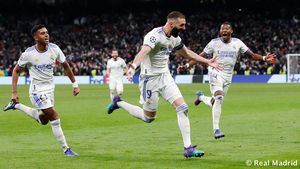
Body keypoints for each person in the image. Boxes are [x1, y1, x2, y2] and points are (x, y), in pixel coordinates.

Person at [107, 11, 222, 158]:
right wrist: (133, 66)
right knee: (148, 118)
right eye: (182, 25)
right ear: (171, 23)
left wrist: (207, 61)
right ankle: (119, 103)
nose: (184, 28)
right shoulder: (154, 35)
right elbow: (144, 51)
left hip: (166, 77)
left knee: (183, 108)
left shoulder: (174, 38)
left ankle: (188, 148)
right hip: (150, 80)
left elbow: (187, 53)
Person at [178, 22, 276, 139]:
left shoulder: (237, 43)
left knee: (216, 102)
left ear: (231, 31)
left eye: (227, 29)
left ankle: (201, 97)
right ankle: (216, 130)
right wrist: (187, 65)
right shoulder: (214, 43)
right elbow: (200, 56)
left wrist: (264, 58)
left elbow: (251, 55)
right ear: (220, 32)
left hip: (228, 76)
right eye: (222, 29)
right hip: (215, 72)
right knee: (219, 97)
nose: (224, 30)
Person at [3, 25, 80, 156]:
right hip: (36, 91)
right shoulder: (28, 54)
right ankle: (66, 149)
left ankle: (16, 105)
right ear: (35, 37)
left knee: (43, 120)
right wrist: (14, 92)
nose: (46, 35)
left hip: (50, 89)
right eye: (42, 33)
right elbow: (16, 71)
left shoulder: (55, 49)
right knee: (54, 117)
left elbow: (66, 66)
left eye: (47, 33)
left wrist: (75, 84)